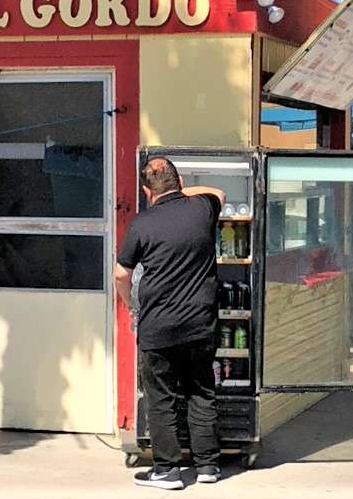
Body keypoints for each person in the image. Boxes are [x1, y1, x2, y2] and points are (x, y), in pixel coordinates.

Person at [115, 156, 225, 490]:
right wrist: (179, 190)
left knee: (161, 399)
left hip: (158, 326)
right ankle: (208, 466)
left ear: (147, 191)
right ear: (178, 182)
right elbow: (218, 192)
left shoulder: (142, 224)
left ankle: (167, 470)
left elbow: (122, 274)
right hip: (200, 324)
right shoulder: (202, 209)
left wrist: (132, 304)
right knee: (201, 391)